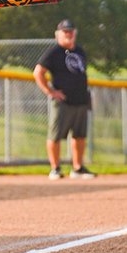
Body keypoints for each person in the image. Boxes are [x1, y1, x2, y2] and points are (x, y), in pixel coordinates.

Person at [33, 18, 95, 179]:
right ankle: (55, 168)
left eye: (71, 31)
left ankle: (78, 168)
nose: (68, 34)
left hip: (81, 99)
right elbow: (38, 72)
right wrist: (50, 91)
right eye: (65, 31)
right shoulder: (54, 52)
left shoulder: (80, 51)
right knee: (55, 135)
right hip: (63, 101)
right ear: (58, 34)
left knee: (80, 135)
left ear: (75, 33)